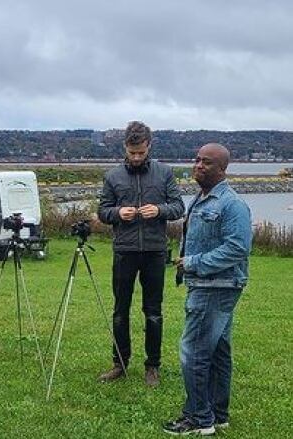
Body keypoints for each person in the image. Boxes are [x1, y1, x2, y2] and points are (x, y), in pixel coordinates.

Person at [162, 143, 251, 435]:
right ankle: (218, 413)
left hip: (215, 285)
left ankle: (199, 418)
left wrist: (193, 262)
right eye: (197, 159)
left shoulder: (231, 204)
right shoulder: (201, 198)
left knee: (195, 352)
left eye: (207, 162)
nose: (198, 165)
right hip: (208, 283)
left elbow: (237, 248)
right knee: (217, 351)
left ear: (223, 169)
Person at [97, 121, 184, 386]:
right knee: (120, 311)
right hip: (124, 251)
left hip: (155, 252)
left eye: (141, 153)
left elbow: (178, 207)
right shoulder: (112, 177)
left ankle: (152, 367)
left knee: (153, 311)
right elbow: (103, 211)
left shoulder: (165, 173)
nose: (136, 157)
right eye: (132, 152)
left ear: (149, 146)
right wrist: (116, 214)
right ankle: (119, 364)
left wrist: (158, 210)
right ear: (125, 146)